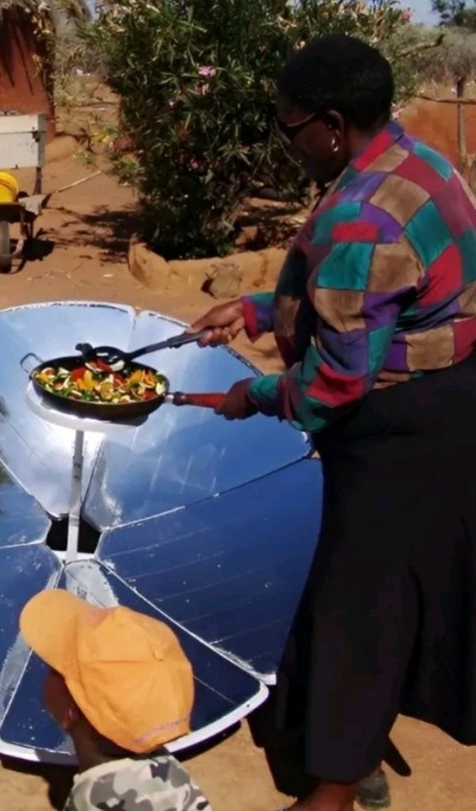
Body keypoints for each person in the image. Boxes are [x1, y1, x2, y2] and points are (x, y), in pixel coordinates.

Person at [190, 34, 476, 811]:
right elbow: (368, 297)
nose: (288, 149)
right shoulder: (416, 160)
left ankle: (334, 791)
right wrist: (252, 310)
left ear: (332, 123)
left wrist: (250, 397)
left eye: (290, 133)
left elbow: (336, 383)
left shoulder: (359, 215)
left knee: (360, 606)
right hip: (448, 404)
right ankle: (353, 740)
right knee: (378, 591)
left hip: (399, 431)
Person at [19, 590, 212, 811]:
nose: (46, 673)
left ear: (71, 712)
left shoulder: (89, 803)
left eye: (53, 669)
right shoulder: (177, 784)